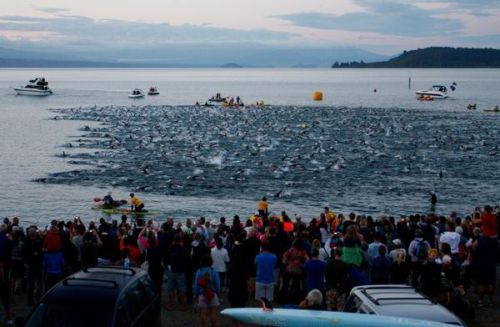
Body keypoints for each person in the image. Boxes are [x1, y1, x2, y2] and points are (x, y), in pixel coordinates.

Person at [193, 254, 220, 327]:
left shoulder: (199, 271)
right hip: (212, 293)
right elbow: (217, 284)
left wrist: (196, 294)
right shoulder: (213, 271)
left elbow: (196, 284)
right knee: (213, 312)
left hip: (202, 294)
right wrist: (217, 292)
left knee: (203, 312)